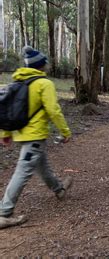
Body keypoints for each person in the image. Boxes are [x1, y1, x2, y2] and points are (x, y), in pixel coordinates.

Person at [0, 46, 73, 229]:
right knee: (23, 171)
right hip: (34, 135)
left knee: (41, 164)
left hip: (22, 133)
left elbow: (8, 109)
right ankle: (4, 212)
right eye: (45, 62)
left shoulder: (18, 82)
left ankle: (59, 189)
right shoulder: (44, 84)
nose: (47, 65)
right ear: (41, 65)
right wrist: (65, 132)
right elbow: (53, 110)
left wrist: (6, 133)